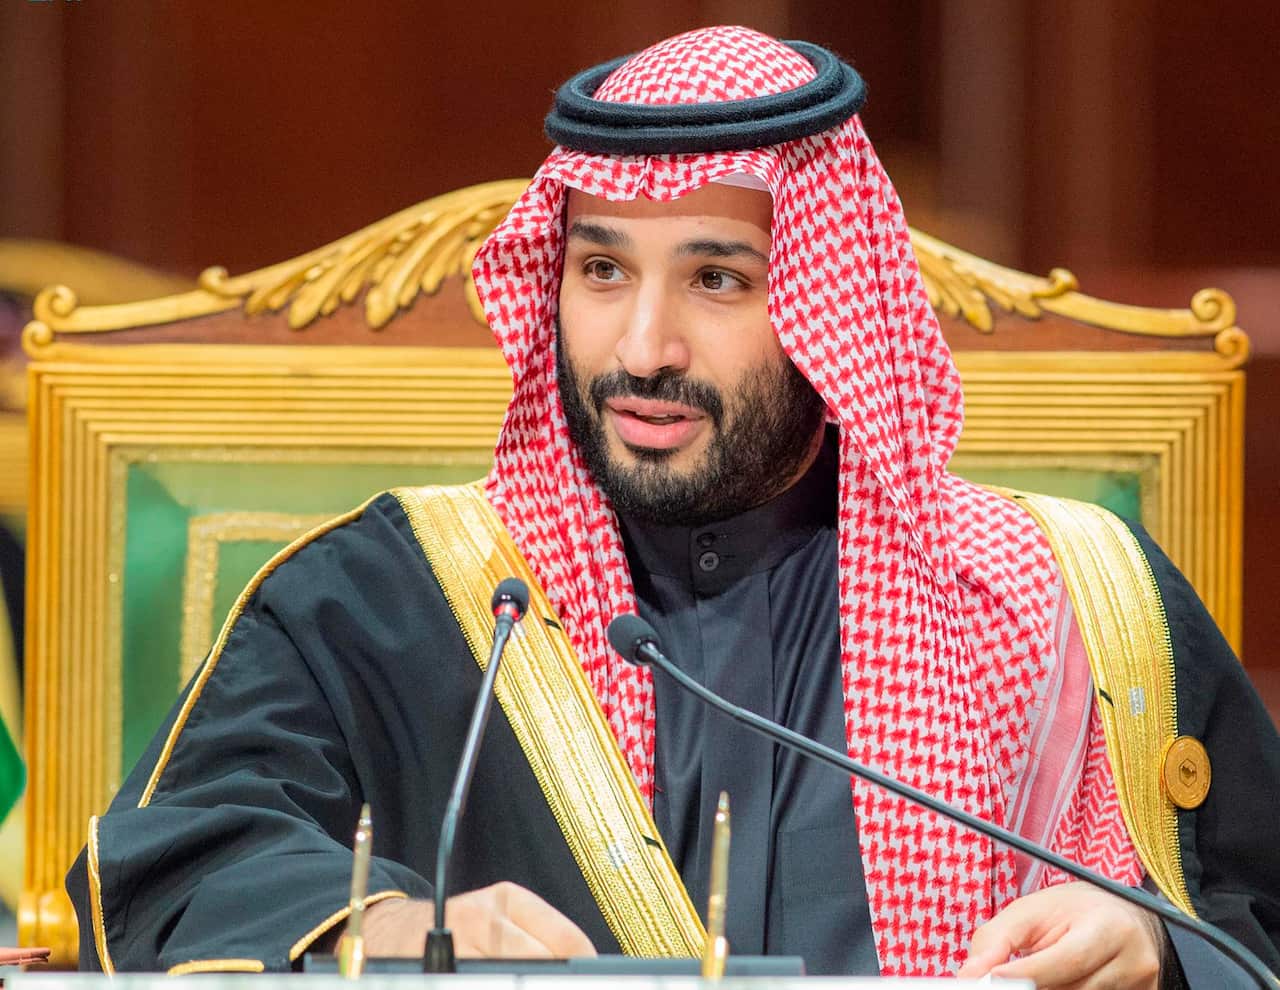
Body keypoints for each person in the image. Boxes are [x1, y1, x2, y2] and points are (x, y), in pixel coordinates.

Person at [67, 26, 1279, 987]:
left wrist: (1157, 948)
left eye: (716, 279)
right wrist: (381, 925)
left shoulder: (1067, 596)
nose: (640, 348)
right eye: (600, 271)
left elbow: (1254, 907)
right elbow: (174, 869)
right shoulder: (379, 604)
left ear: (827, 303)